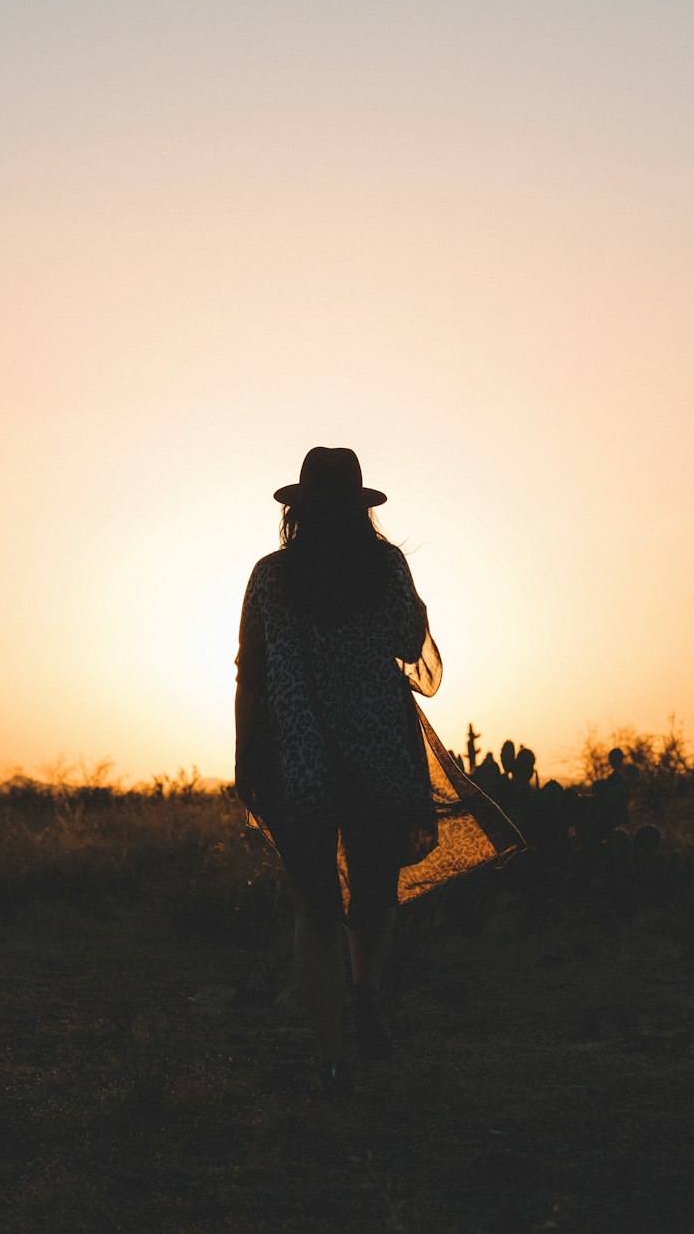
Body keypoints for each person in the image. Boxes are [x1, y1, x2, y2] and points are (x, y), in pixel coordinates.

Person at [234, 447, 520, 1100]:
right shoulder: (384, 566)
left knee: (314, 911)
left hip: (296, 758)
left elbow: (250, 674)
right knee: (373, 893)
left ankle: (332, 1058)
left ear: (297, 511)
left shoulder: (271, 577)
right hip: (381, 753)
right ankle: (365, 996)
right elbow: (409, 645)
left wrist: (246, 755)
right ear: (362, 509)